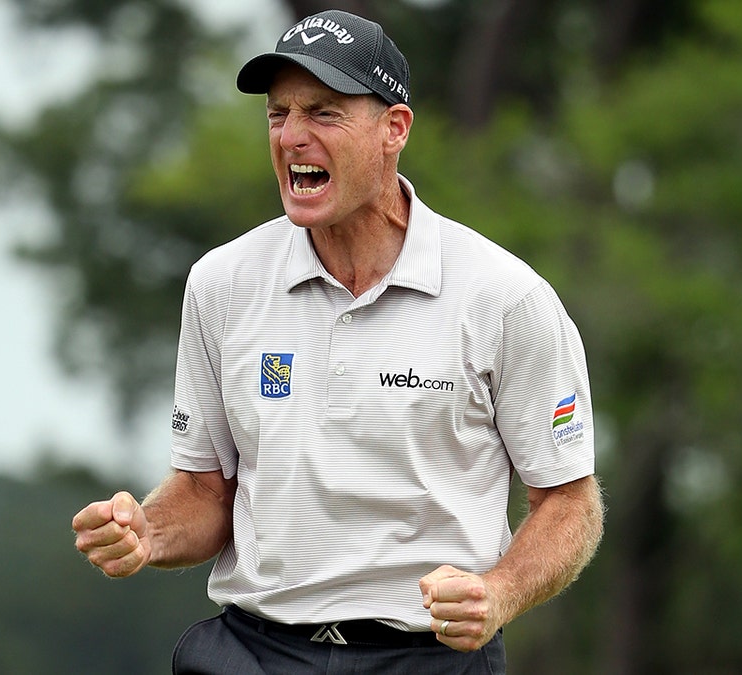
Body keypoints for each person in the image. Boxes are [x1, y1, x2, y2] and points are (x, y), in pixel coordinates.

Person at [72, 9, 604, 674]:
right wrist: (147, 532)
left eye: (323, 113)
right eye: (278, 113)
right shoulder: (223, 283)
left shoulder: (503, 296)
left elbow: (569, 501)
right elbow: (206, 491)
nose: (293, 136)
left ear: (393, 129)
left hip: (426, 659)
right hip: (254, 650)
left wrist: (498, 593)